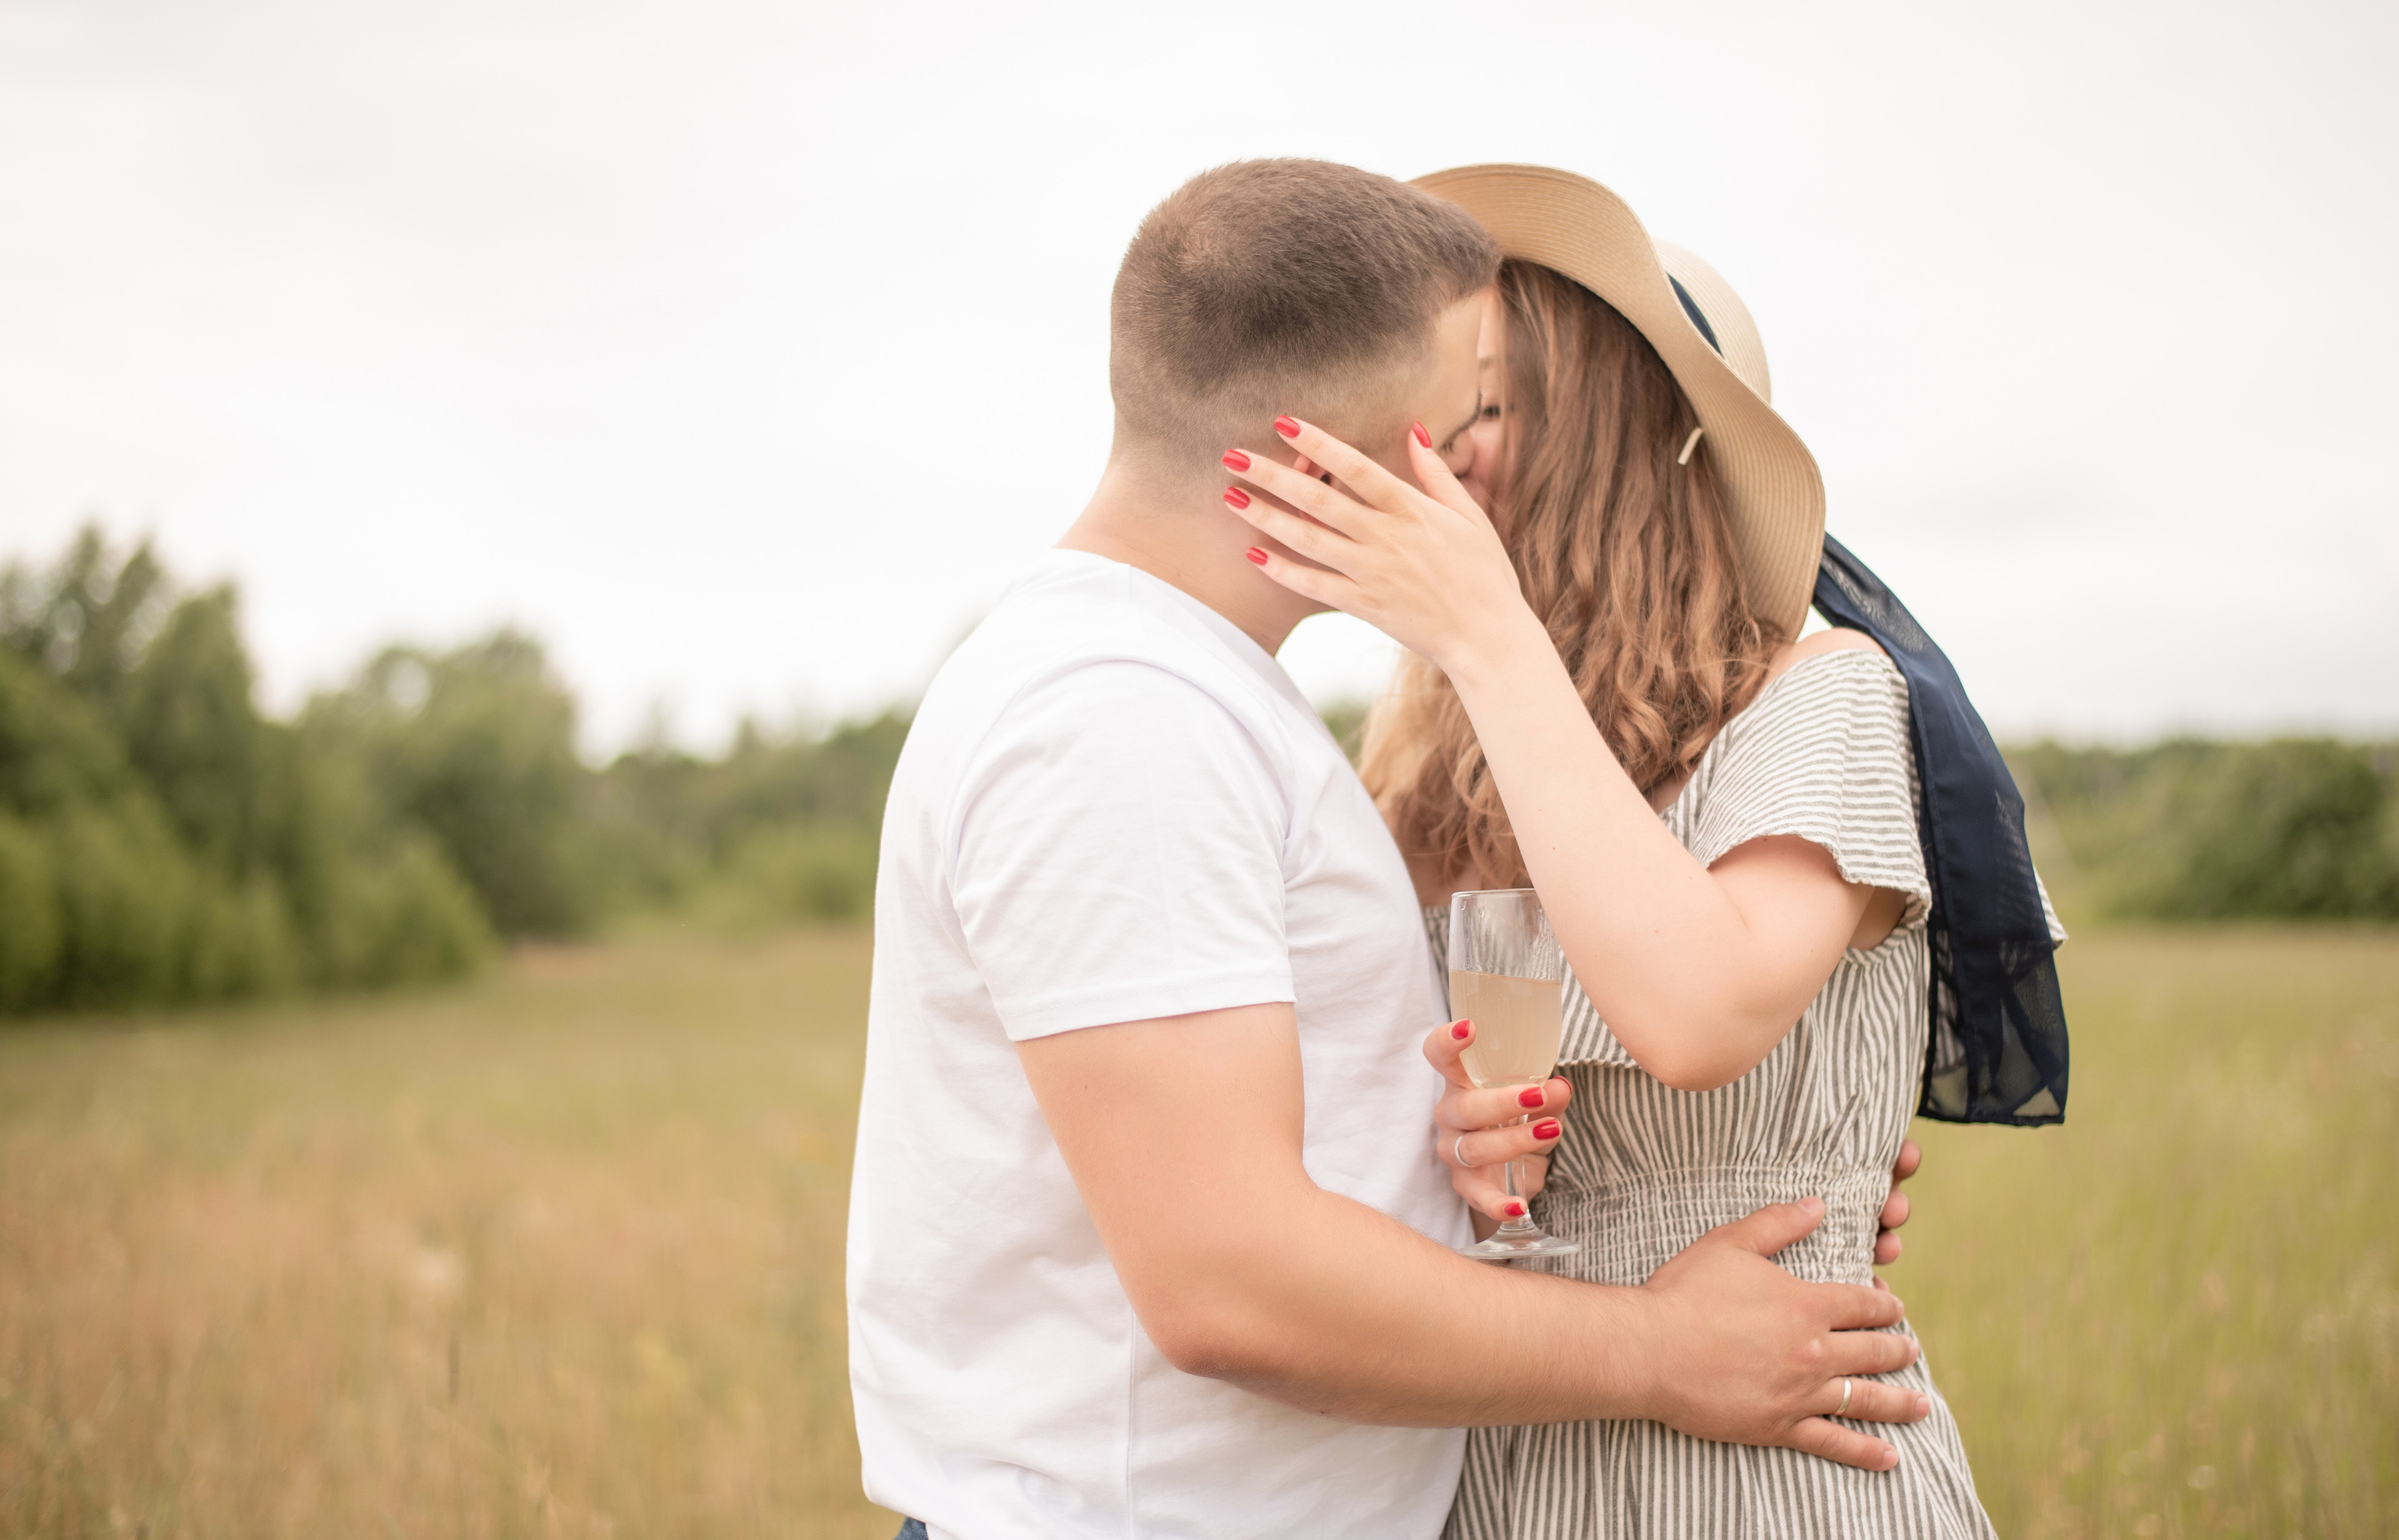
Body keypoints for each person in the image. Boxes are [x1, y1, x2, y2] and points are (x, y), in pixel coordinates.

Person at [846, 160, 1934, 1540]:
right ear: (1324, 451)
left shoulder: (1213, 702)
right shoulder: (1127, 717)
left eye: (1494, 402)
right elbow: (1232, 1275)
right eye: (1461, 398)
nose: (1460, 446)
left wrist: (1761, 1156)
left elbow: (1350, 1120)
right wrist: (1657, 1340)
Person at [1217, 164, 2066, 1537]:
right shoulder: (1438, 752)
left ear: (1617, 426)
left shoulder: (1826, 694)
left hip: (1768, 1459)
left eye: (1486, 399)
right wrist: (1453, 1143)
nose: (1439, 443)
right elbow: (1312, 1108)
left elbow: (1693, 1007)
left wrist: (1489, 634)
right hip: (1507, 1455)